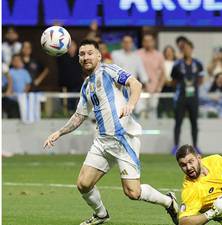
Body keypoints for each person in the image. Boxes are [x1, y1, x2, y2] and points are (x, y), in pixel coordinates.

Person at [43, 40, 179, 225]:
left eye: (90, 53)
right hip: (103, 141)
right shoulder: (86, 86)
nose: (86, 57)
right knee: (83, 184)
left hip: (123, 139)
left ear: (99, 56)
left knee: (133, 192)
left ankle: (169, 202)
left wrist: (130, 104)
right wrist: (59, 132)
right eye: (82, 54)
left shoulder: (109, 70)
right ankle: (101, 215)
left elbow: (135, 84)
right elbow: (79, 116)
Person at [171, 39, 204, 154]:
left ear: (192, 49)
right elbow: (173, 81)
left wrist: (194, 87)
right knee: (178, 122)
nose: (186, 51)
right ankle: (175, 146)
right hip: (181, 97)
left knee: (194, 122)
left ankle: (195, 146)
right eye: (184, 49)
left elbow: (200, 79)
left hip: (193, 98)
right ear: (181, 50)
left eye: (188, 48)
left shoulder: (198, 64)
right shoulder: (177, 65)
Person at [137, 34, 165, 118]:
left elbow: (163, 73)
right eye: (145, 41)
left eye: (150, 41)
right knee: (141, 112)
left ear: (153, 42)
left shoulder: (159, 55)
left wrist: (159, 88)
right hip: (140, 89)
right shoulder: (137, 54)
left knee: (152, 112)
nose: (147, 43)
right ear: (143, 42)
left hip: (154, 90)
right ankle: (140, 131)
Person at [57, 40, 84, 113]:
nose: (71, 47)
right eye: (69, 46)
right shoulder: (61, 57)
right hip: (65, 87)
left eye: (73, 45)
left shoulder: (80, 57)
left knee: (79, 107)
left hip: (78, 86)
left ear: (76, 47)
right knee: (67, 108)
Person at [158, 45, 176, 118]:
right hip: (164, 86)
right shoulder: (162, 63)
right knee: (163, 104)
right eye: (167, 52)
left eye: (170, 51)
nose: (169, 53)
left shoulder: (176, 63)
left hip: (174, 86)